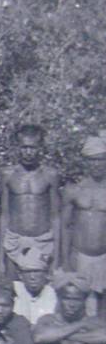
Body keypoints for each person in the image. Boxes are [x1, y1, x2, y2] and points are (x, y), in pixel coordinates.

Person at [0, 124, 60, 278]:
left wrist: (57, 257)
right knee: (13, 289)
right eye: (24, 147)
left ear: (40, 148)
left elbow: (55, 216)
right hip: (15, 242)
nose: (28, 152)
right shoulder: (8, 174)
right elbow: (4, 215)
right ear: (17, 148)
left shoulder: (50, 175)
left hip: (42, 242)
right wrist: (0, 257)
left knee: (41, 289)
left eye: (33, 148)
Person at [62, 133, 106, 315]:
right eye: (92, 160)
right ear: (85, 162)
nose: (96, 164)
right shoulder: (74, 190)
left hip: (104, 257)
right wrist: (64, 259)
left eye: (101, 159)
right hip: (79, 256)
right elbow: (64, 226)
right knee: (79, 306)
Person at [11, 258, 57, 325]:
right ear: (20, 275)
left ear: (46, 274)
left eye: (37, 271)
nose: (32, 277)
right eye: (28, 272)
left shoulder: (53, 294)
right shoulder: (13, 288)